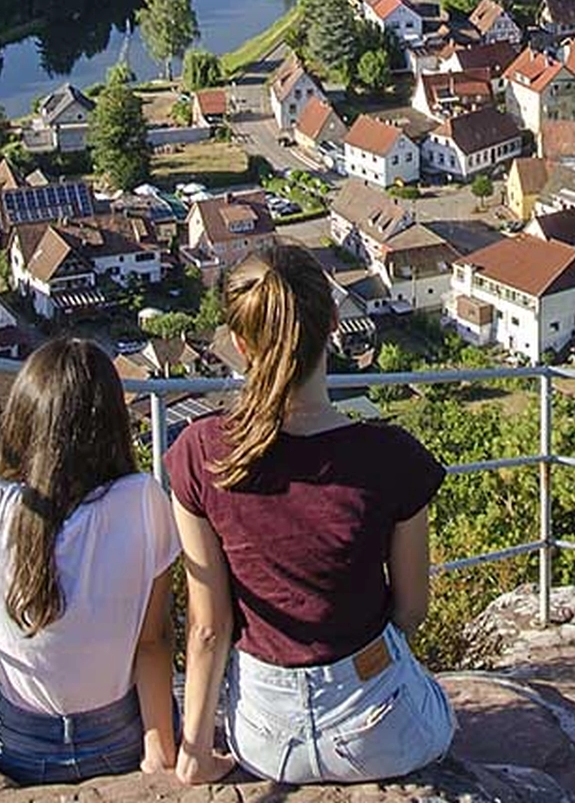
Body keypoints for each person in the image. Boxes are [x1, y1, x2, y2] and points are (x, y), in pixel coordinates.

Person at [166, 242, 455, 786]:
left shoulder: (201, 452)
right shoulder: (390, 456)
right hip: (379, 733)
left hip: (263, 738)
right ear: (333, 328)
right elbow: (412, 610)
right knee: (439, 706)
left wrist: (196, 751)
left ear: (240, 344)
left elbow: (209, 628)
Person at [0, 336, 180, 785]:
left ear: (21, 420)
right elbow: (152, 641)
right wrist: (158, 750)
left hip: (19, 745)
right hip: (116, 740)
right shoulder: (142, 500)